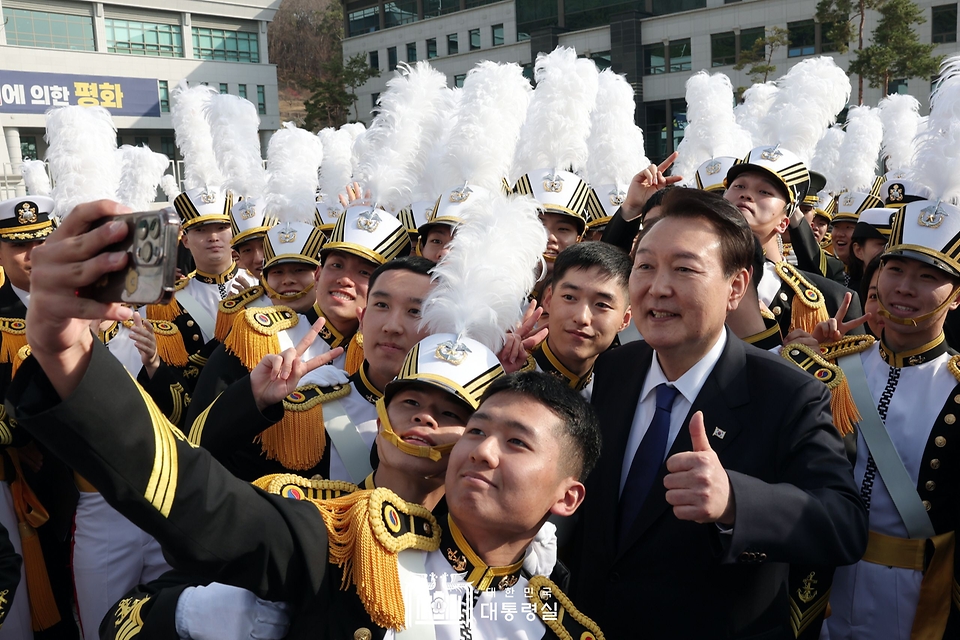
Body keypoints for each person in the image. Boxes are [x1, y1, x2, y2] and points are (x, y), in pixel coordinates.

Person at [8, 199, 606, 638]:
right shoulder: (344, 541)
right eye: (478, 430)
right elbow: (197, 491)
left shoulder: (557, 623)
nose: (480, 447)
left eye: (510, 439)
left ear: (568, 496)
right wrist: (65, 349)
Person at [566, 188, 868, 639]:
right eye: (645, 266)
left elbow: (842, 525)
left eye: (685, 269)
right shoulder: (615, 367)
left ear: (735, 287)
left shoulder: (789, 393)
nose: (658, 286)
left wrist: (735, 503)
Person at [824, 195, 960, 639]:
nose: (904, 287)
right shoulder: (839, 366)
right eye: (894, 269)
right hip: (827, 583)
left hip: (918, 595)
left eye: (928, 277)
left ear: (956, 298)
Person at [520, 242, 631, 397]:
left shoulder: (621, 395)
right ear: (548, 300)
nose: (581, 318)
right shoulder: (506, 373)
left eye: (601, 304)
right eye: (569, 297)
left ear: (625, 319)